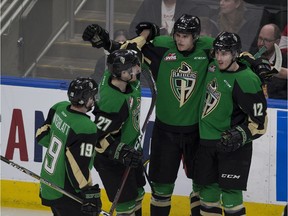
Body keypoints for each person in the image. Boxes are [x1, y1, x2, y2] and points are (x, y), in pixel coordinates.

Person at [81, 14, 273, 216]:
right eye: (178, 35)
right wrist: (107, 43)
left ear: (196, 36)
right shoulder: (163, 46)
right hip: (165, 133)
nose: (180, 40)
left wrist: (257, 63)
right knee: (161, 189)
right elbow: (128, 55)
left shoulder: (208, 48)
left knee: (202, 187)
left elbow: (235, 55)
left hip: (196, 134)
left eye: (185, 36)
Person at [194, 31, 268, 215]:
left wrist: (240, 135)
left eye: (225, 53)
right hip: (206, 142)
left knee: (231, 196)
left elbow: (260, 122)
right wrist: (252, 59)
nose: (219, 58)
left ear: (235, 54)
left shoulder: (247, 80)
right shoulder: (211, 67)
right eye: (217, 52)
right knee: (208, 195)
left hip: (233, 147)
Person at [35, 77, 102, 216]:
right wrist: (87, 191)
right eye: (92, 96)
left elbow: (41, 136)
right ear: (86, 99)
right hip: (66, 190)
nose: (94, 99)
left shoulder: (59, 108)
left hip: (49, 183)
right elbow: (77, 166)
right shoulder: (85, 127)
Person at [92, 49, 145, 216]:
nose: (138, 68)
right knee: (126, 206)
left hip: (130, 151)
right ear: (122, 73)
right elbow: (96, 139)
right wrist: (120, 151)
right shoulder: (112, 102)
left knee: (138, 194)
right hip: (112, 161)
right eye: (133, 67)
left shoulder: (123, 81)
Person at [128, 0, 212, 37]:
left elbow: (197, 35)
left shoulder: (192, 7)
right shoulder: (149, 4)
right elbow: (134, 30)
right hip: (153, 53)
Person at [256, 23, 288, 99]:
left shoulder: (285, 63)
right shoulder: (249, 57)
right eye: (260, 38)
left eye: (266, 40)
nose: (261, 43)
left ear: (277, 42)